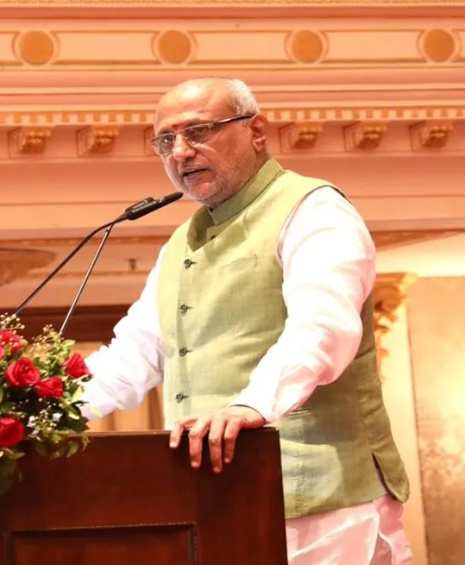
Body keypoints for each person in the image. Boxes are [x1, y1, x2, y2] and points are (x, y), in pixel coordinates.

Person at [79, 77, 413, 565]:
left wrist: (250, 405)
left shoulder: (313, 209)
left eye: (198, 131)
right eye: (165, 141)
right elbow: (130, 359)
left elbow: (322, 327)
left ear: (257, 130)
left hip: (324, 504)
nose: (181, 152)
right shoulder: (179, 245)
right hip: (213, 502)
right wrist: (29, 412)